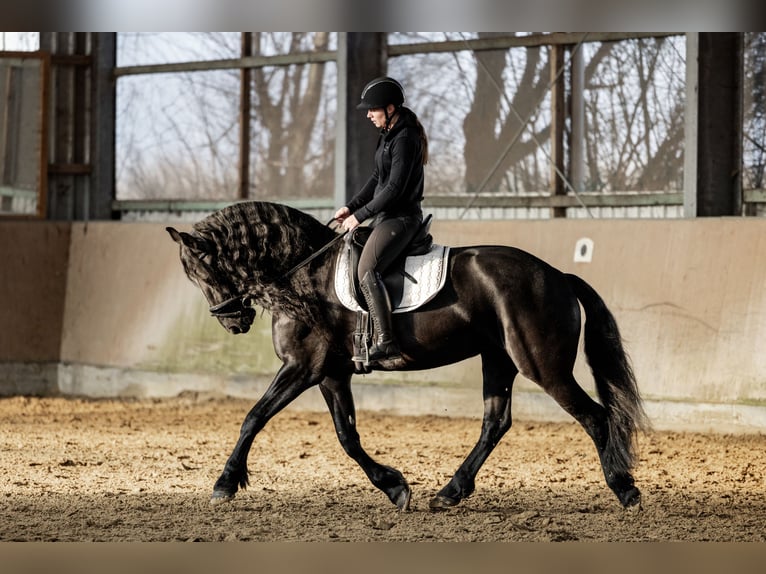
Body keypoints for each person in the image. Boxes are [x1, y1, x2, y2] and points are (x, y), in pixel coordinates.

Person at [334, 76, 429, 365]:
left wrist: (360, 217)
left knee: (367, 269)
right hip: (386, 217)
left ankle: (386, 342)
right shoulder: (388, 134)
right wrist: (351, 207)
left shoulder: (406, 138)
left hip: (401, 218)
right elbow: (377, 179)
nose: (368, 114)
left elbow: (394, 189)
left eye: (372, 109)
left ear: (390, 108)